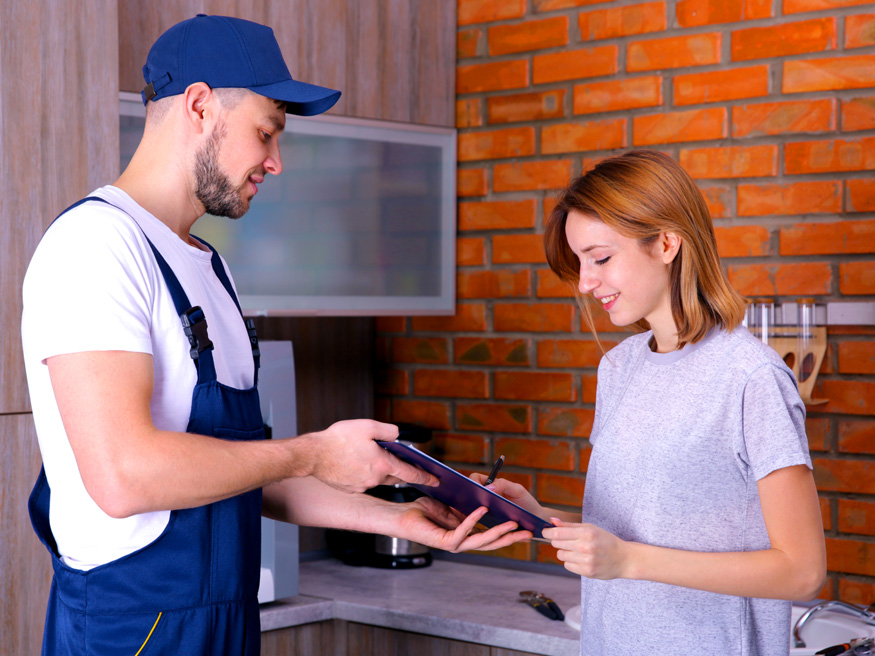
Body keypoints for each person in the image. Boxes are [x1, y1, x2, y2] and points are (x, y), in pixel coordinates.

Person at [21, 14, 528, 656]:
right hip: (133, 629)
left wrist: (399, 518)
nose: (275, 161)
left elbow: (244, 470)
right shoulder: (95, 247)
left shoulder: (212, 269)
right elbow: (124, 476)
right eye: (267, 132)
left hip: (227, 622)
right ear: (201, 105)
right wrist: (313, 450)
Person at [471, 150, 827, 655]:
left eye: (601, 258)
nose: (585, 282)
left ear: (666, 243)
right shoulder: (619, 368)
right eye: (578, 263)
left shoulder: (751, 377)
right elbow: (637, 531)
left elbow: (802, 571)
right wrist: (538, 518)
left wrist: (628, 561)